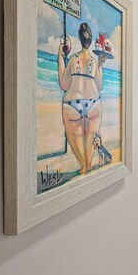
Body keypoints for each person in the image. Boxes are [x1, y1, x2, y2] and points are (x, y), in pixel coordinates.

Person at [58, 23, 106, 174]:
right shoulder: (93, 61)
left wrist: (60, 57)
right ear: (91, 41)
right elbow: (99, 85)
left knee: (75, 135)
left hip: (73, 104)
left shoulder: (73, 59)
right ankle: (88, 164)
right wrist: (101, 65)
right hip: (93, 103)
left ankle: (83, 165)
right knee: (91, 135)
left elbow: (64, 84)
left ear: (79, 38)